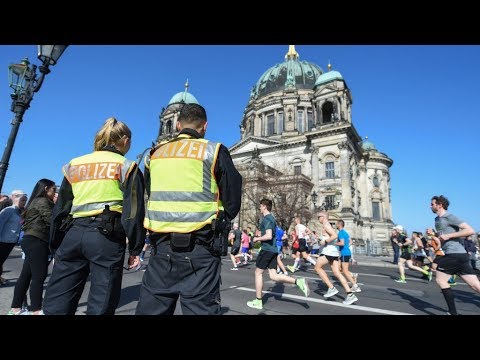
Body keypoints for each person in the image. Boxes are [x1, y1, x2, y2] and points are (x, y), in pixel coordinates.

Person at [136, 103, 242, 315]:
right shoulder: (214, 150)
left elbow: (150, 192)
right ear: (205, 126)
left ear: (177, 124)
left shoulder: (154, 154)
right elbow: (232, 201)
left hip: (161, 248)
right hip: (201, 248)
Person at [43, 117, 145, 315]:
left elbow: (61, 207)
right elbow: (133, 212)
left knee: (59, 299)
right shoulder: (127, 166)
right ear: (125, 140)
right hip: (106, 236)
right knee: (102, 301)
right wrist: (135, 248)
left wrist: (55, 244)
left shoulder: (75, 164)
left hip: (73, 233)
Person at [246, 198, 310, 310]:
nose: (259, 208)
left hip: (267, 249)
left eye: (260, 206)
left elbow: (269, 236)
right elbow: (270, 233)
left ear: (265, 206)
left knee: (258, 273)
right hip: (273, 249)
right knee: (273, 276)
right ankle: (297, 281)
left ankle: (258, 301)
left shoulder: (267, 219)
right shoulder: (272, 219)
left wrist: (257, 239)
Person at [8, 182, 55, 315]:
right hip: (37, 240)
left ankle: (16, 308)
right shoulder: (42, 201)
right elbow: (51, 220)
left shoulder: (36, 201)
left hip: (32, 240)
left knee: (26, 275)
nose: (54, 192)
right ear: (46, 189)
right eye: (53, 189)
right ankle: (36, 309)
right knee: (38, 277)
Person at [429, 195, 480, 315]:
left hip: (454, 254)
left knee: (441, 280)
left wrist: (448, 236)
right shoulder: (437, 220)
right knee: (475, 286)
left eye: (432, 204)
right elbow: (442, 238)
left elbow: (470, 230)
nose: (430, 206)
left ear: (440, 205)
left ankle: (453, 312)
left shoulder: (449, 217)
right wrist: (434, 235)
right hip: (459, 255)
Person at [314, 210, 358, 305]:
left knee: (317, 268)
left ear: (324, 217)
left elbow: (334, 236)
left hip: (328, 251)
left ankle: (331, 288)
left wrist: (325, 242)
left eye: (319, 217)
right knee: (337, 273)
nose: (318, 219)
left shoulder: (326, 224)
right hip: (334, 252)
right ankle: (350, 295)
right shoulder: (327, 225)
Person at [0, 190, 27, 288]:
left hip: (11, 241)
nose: (24, 202)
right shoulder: (8, 210)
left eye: (25, 200)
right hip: (2, 241)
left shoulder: (21, 211)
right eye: (22, 200)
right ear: (14, 198)